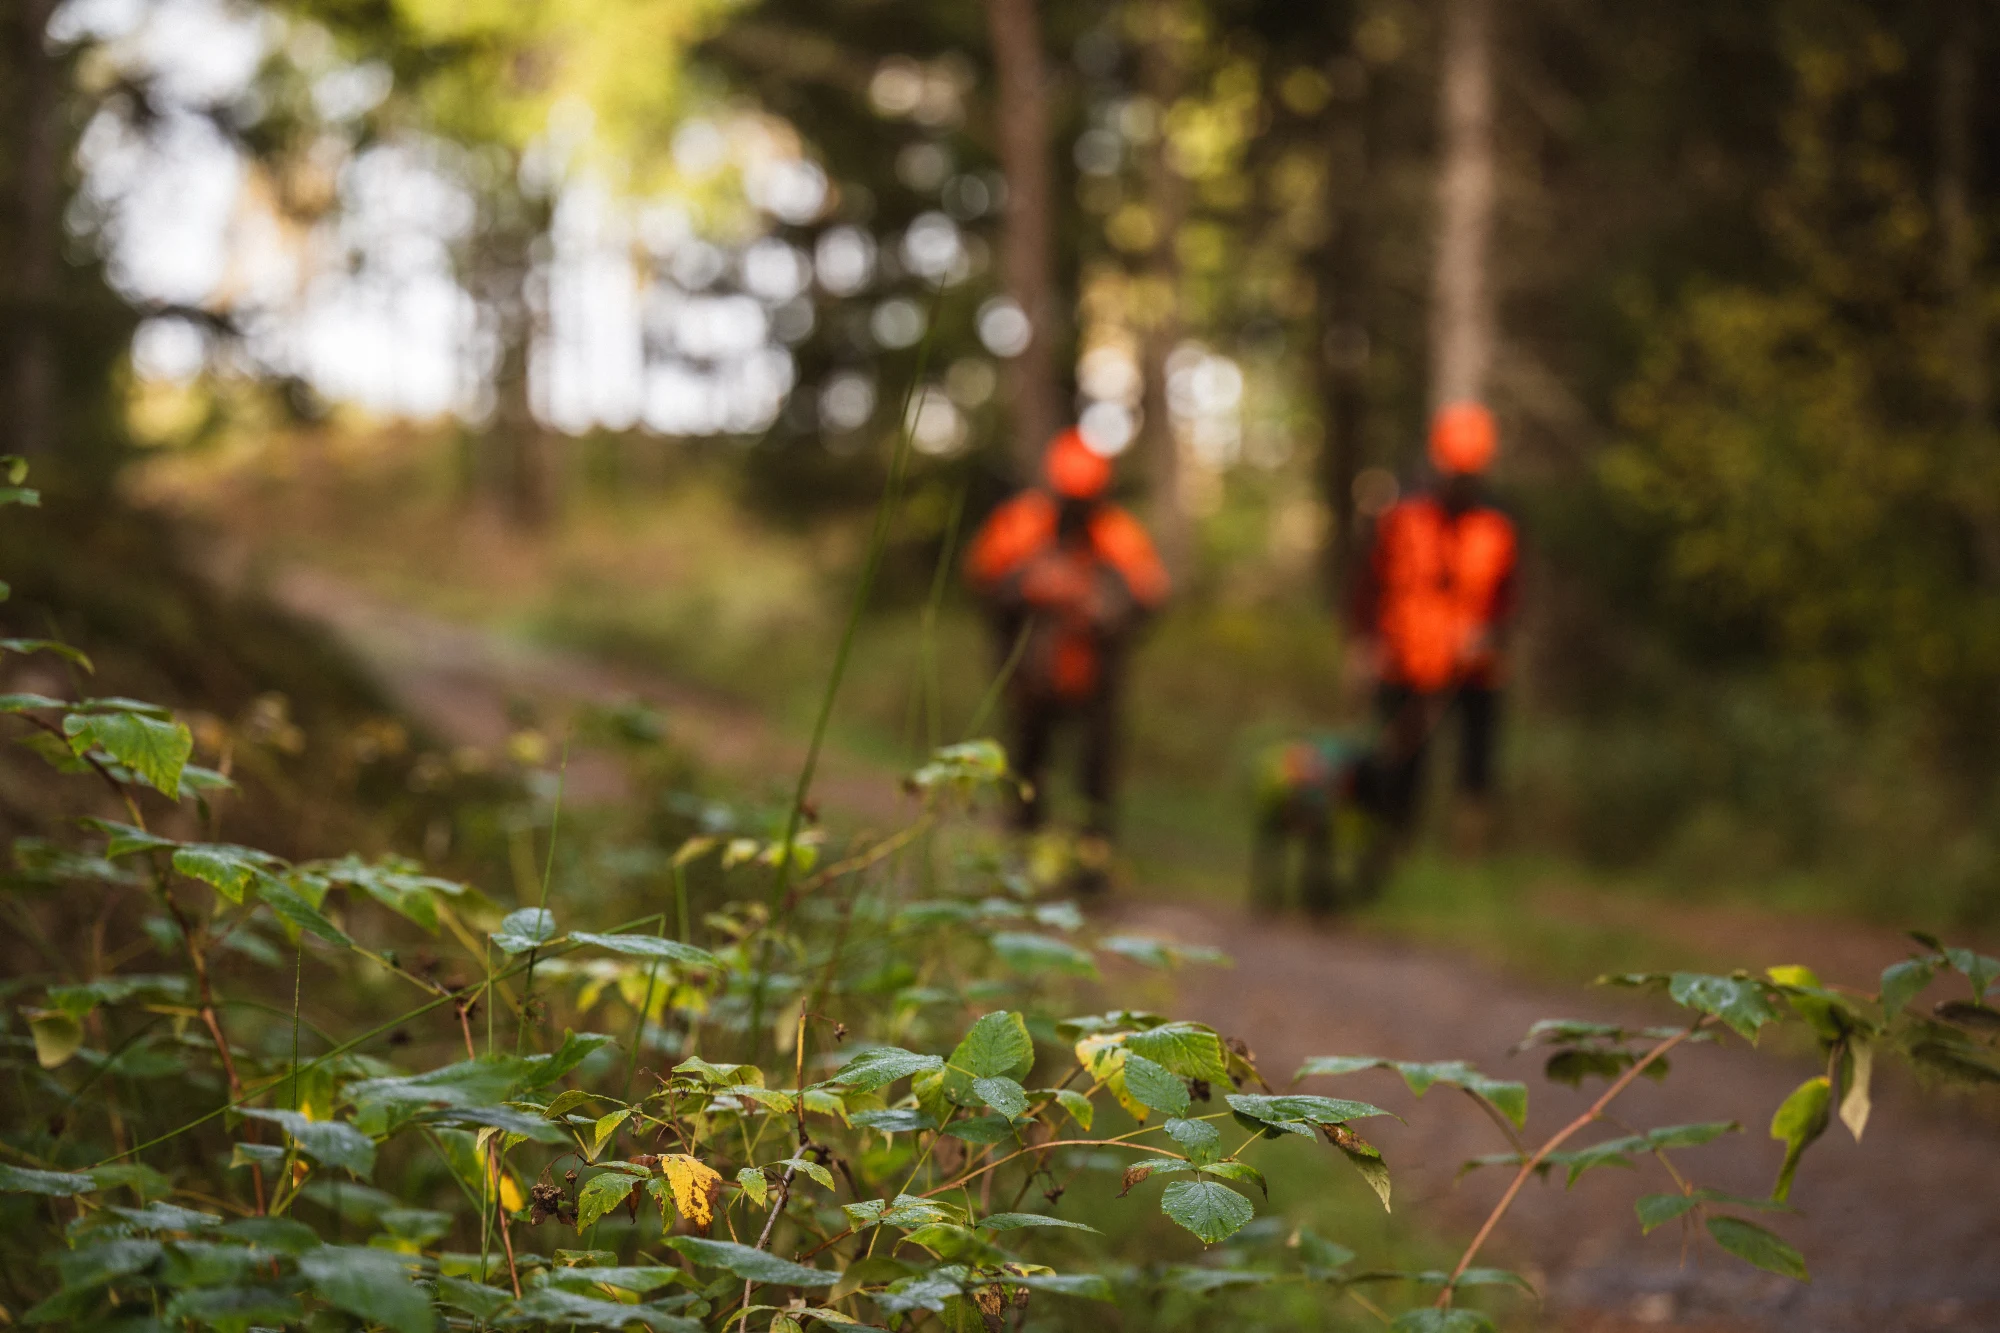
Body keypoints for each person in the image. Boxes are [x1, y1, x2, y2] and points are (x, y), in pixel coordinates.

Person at [964, 428, 1169, 872]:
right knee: (1026, 764)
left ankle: (1090, 868)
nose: (1076, 509)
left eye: (1086, 498)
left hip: (1097, 677)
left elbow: (1151, 596)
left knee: (1096, 773)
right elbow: (983, 580)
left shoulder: (1117, 532)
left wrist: (1103, 607)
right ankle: (1019, 860)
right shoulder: (1021, 522)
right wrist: (1030, 587)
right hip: (1029, 675)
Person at [1348, 401, 1518, 844]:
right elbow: (1369, 582)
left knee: (1476, 759)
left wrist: (1490, 633)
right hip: (1408, 658)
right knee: (1402, 755)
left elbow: (1510, 594)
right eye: (1453, 471)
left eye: (1469, 473)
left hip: (1475, 667)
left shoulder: (1500, 524)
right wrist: (1365, 643)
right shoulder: (1402, 517)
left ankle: (1469, 846)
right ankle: (1393, 843)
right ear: (1437, 463)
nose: (1459, 482)